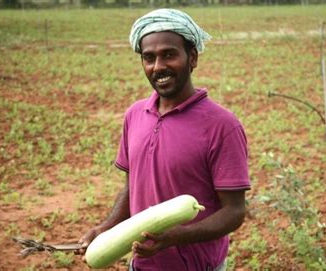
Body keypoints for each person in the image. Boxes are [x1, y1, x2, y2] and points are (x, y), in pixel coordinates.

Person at [79, 8, 251, 271]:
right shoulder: (134, 115)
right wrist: (105, 228)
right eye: (149, 58)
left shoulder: (222, 125)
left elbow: (235, 211)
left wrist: (175, 237)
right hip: (142, 265)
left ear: (192, 57)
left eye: (169, 55)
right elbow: (131, 188)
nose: (158, 67)